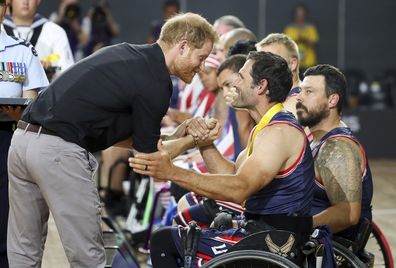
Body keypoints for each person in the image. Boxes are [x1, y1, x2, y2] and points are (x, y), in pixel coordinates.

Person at [7, 12, 217, 267]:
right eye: (201, 57)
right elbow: (148, 159)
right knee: (88, 258)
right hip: (57, 152)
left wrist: (180, 133)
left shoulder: (126, 53)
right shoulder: (157, 81)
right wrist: (194, 141)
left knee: (23, 252)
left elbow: (134, 139)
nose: (202, 66)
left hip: (21, 141)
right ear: (183, 46)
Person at [130, 51, 315, 267]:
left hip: (276, 240)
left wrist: (171, 172)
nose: (235, 82)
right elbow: (233, 175)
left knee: (164, 240)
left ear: (261, 86)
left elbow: (239, 189)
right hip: (263, 231)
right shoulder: (266, 127)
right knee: (181, 225)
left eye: (242, 77)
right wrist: (205, 143)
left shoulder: (279, 131)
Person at [296, 64, 373, 241]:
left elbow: (348, 214)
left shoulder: (337, 148)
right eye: (300, 91)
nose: (299, 97)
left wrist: (297, 226)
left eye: (309, 92)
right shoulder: (314, 139)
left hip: (323, 247)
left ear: (332, 100)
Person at [0, 0, 48, 266]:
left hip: (8, 139)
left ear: (4, 9)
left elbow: (31, 105)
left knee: (7, 219)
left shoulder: (22, 51)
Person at [2, 0, 74, 80]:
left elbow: (66, 72)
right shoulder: (1, 29)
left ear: (38, 1)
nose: (25, 1)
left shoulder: (55, 31)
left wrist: (51, 70)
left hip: (45, 90)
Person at [256, 33, 301, 116]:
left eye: (272, 61)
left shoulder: (297, 104)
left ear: (292, 64)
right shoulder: (277, 100)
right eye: (261, 62)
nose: (264, 67)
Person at [284, 4, 319, 70]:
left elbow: (314, 43)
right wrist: (297, 40)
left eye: (302, 14)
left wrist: (304, 40)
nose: (300, 17)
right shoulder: (289, 28)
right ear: (294, 15)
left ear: (305, 15)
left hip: (309, 62)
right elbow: (287, 45)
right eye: (298, 14)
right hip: (294, 62)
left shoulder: (310, 28)